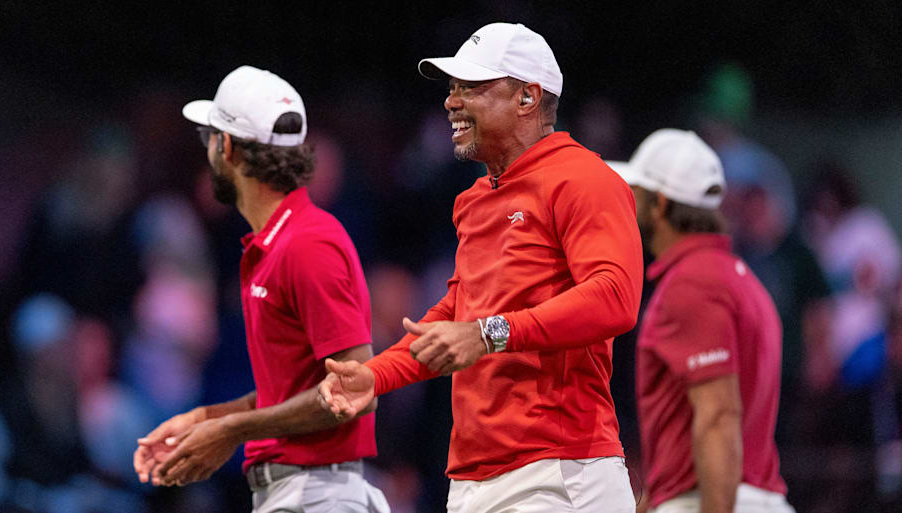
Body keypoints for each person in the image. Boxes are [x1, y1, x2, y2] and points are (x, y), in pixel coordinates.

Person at [320, 23, 643, 512]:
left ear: (528, 97)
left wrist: (489, 333)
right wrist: (375, 375)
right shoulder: (475, 199)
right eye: (452, 88)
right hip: (474, 476)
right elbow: (459, 311)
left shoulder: (584, 178)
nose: (451, 102)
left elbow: (615, 298)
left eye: (471, 88)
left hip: (558, 471)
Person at [132, 65, 389, 513]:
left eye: (209, 139)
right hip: (296, 493)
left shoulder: (307, 243)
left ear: (227, 148)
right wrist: (208, 419)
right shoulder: (276, 245)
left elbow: (354, 389)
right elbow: (296, 390)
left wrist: (231, 431)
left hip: (317, 497)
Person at [607, 129, 794, 513]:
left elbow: (718, 415)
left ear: (659, 204)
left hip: (713, 501)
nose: (628, 202)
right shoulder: (737, 278)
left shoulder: (693, 284)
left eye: (636, 192)